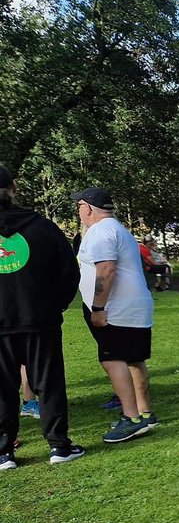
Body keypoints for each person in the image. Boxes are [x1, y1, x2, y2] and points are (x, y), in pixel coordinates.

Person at [0, 163, 84, 469]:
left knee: (3, 386)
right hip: (40, 318)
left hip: (16, 321)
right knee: (48, 382)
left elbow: (67, 272)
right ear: (14, 188)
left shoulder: (41, 226)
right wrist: (55, 305)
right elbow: (69, 272)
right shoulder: (43, 227)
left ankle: (3, 451)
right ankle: (59, 446)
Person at [73, 186, 159, 443]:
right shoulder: (118, 229)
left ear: (87, 208)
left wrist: (98, 309)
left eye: (78, 207)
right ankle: (145, 413)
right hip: (134, 307)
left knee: (113, 359)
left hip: (116, 310)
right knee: (134, 359)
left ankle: (131, 418)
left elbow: (106, 270)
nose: (78, 212)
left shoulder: (100, 231)